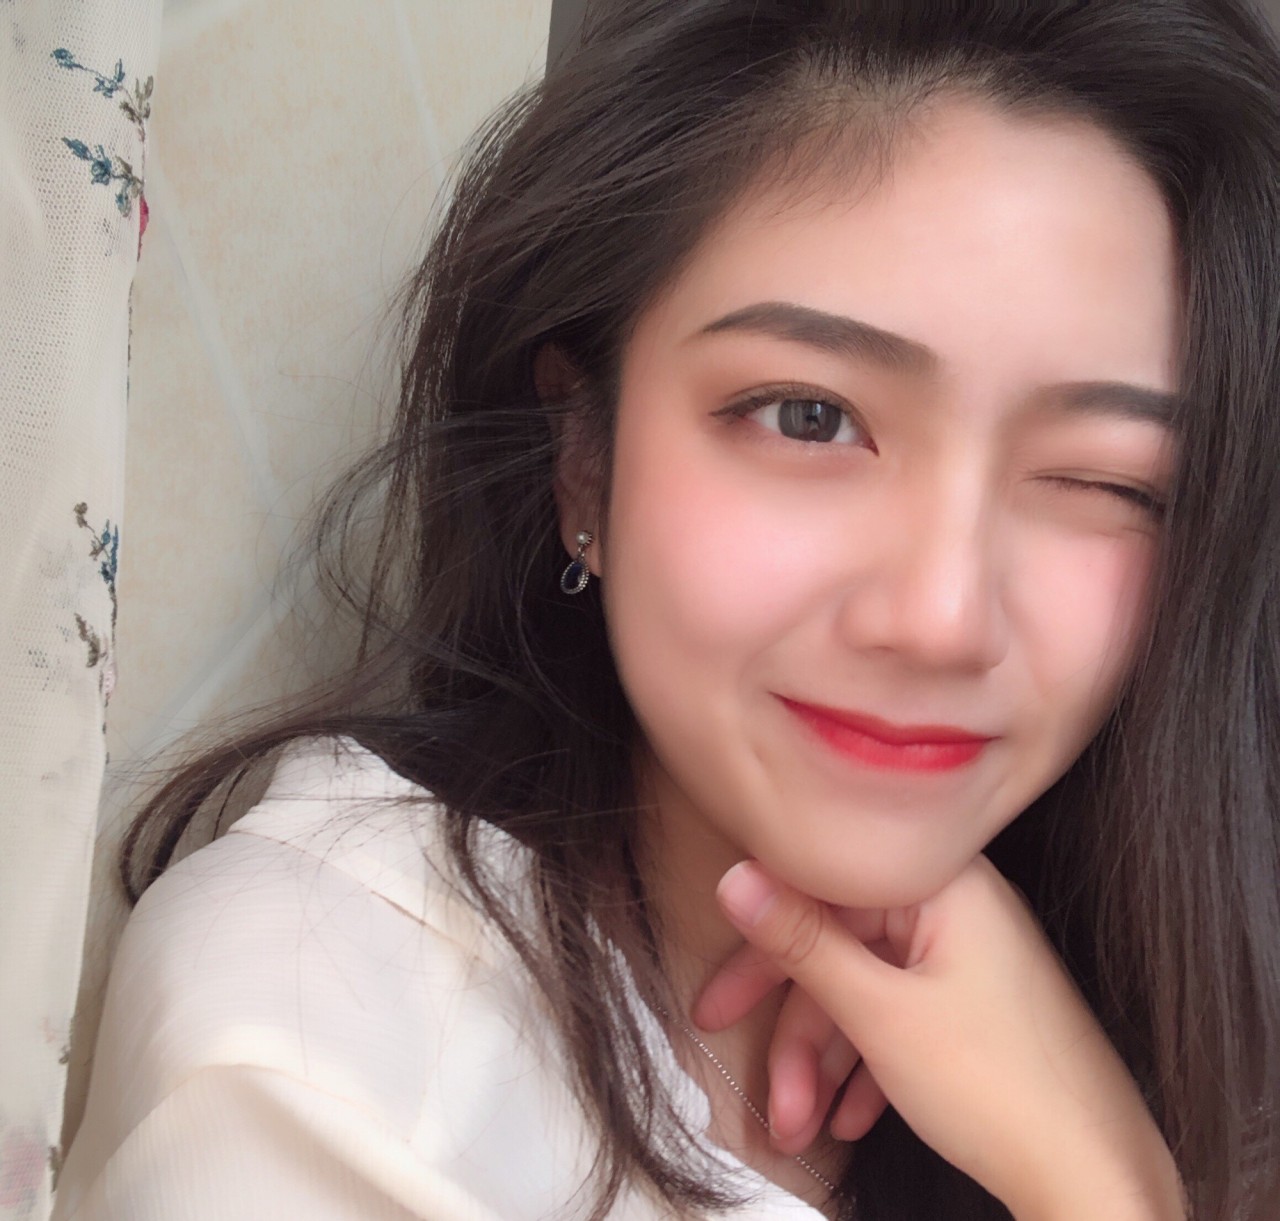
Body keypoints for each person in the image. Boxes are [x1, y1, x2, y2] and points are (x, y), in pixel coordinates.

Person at [51, 1, 1280, 1218]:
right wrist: (1106, 1188)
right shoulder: (320, 1052)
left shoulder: (1147, 967)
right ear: (583, 457)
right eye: (808, 417)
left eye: (1108, 482)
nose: (942, 618)